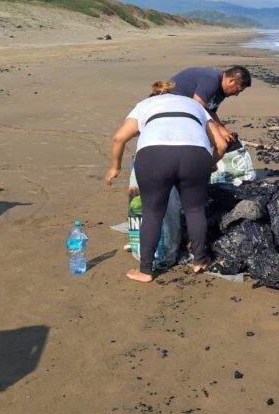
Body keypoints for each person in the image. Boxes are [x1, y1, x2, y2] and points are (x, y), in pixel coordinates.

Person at [105, 81, 228, 282]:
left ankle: (145, 271)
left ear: (155, 95)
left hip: (154, 155)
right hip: (195, 154)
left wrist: (115, 167)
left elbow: (119, 138)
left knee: (152, 212)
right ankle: (199, 260)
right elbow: (221, 144)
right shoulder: (194, 105)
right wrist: (211, 163)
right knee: (195, 209)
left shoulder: (145, 104)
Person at [168, 65, 251, 142]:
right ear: (231, 81)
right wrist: (218, 130)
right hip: (169, 104)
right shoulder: (212, 81)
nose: (236, 94)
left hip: (185, 107)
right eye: (238, 90)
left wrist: (223, 128)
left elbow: (210, 111)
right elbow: (197, 109)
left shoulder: (222, 91)